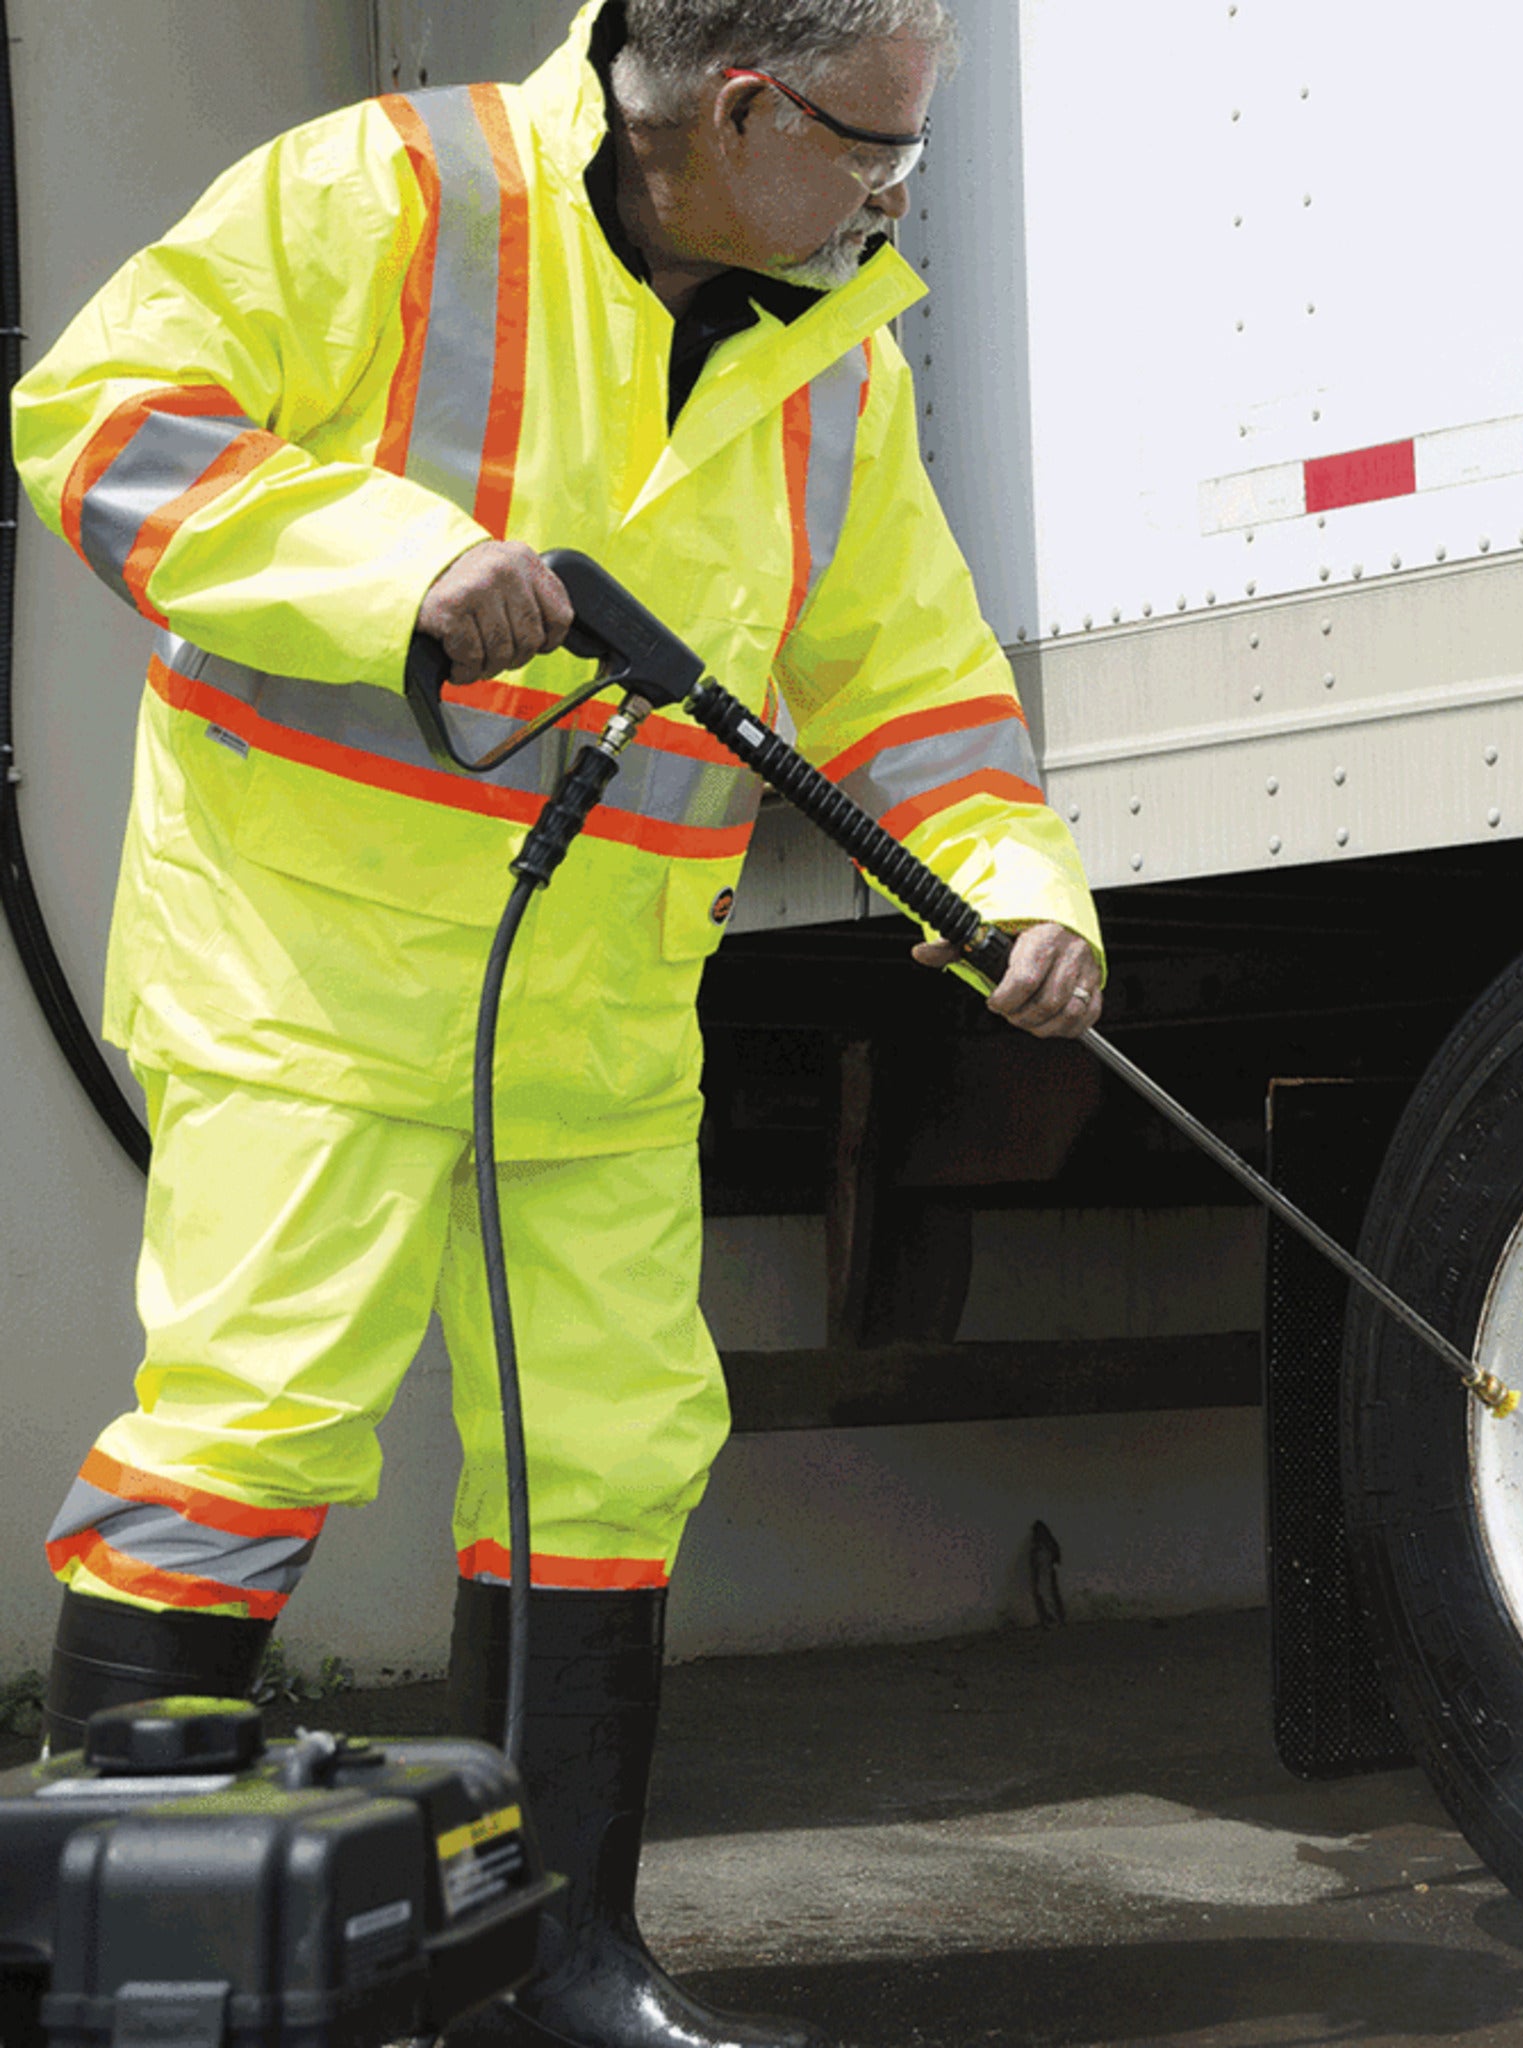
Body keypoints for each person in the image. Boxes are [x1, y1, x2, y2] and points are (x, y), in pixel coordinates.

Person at [11, 2, 1102, 2044]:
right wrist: (404, 566)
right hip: (304, 962)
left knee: (605, 1461)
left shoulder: (828, 364)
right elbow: (101, 419)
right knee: (250, 1434)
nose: (891, 194)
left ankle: (562, 1969)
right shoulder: (391, 197)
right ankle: (131, 1975)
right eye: (878, 148)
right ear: (747, 110)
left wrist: (1020, 899)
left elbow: (921, 706)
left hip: (594, 1008)